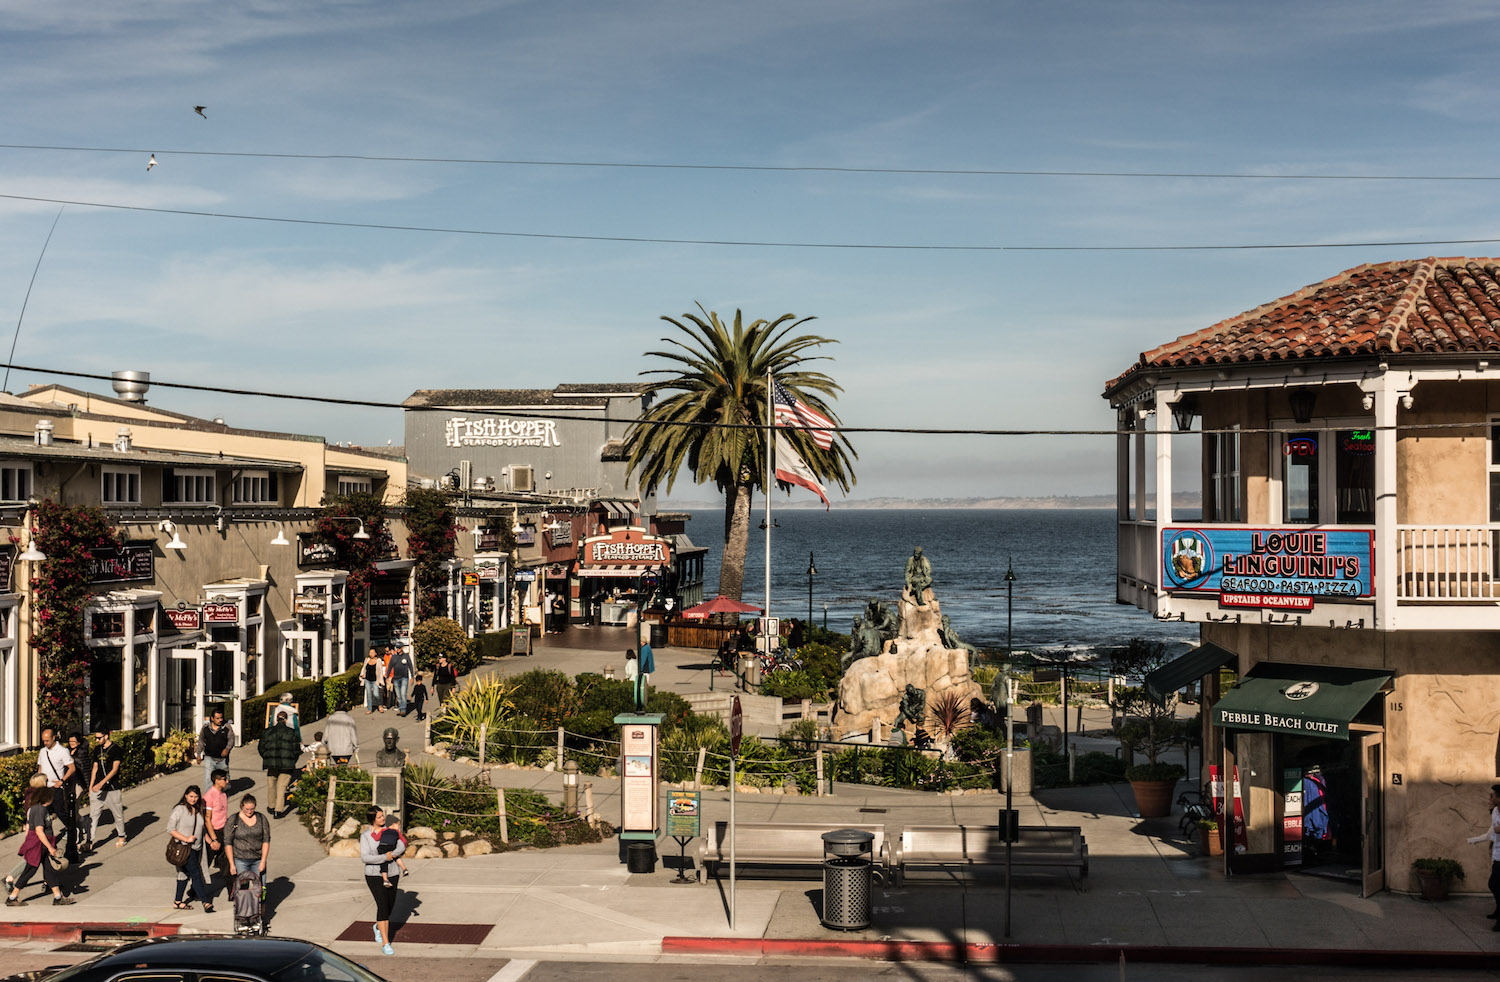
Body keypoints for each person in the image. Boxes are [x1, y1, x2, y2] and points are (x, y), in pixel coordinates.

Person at [6, 784, 74, 906]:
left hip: (41, 844)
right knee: (29, 871)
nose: (52, 799)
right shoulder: (39, 810)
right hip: (38, 845)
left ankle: (58, 897)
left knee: (50, 871)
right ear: (46, 797)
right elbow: (39, 831)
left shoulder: (38, 809)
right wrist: (50, 847)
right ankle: (12, 897)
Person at [361, 805, 406, 956]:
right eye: (379, 817)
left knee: (390, 906)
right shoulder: (366, 836)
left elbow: (401, 845)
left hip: (392, 873)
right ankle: (386, 943)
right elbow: (365, 857)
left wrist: (391, 854)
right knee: (383, 907)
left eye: (382, 816)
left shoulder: (391, 831)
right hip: (374, 875)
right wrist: (383, 858)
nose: (382, 819)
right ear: (372, 819)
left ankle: (378, 927)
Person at [167, 785, 213, 912]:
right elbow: (170, 829)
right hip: (183, 848)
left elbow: (201, 830)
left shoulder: (198, 810)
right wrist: (186, 839)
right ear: (185, 796)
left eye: (196, 796)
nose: (193, 799)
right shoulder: (179, 809)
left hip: (196, 849)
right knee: (196, 874)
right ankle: (206, 902)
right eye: (191, 796)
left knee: (183, 875)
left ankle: (178, 902)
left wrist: (210, 841)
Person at [37, 727, 78, 863]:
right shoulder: (43, 751)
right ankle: (46, 840)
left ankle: (72, 831)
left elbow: (72, 768)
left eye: (47, 740)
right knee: (42, 814)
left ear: (54, 737)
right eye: (43, 741)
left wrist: (61, 781)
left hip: (56, 787)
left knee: (60, 812)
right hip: (44, 787)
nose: (45, 743)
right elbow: (41, 768)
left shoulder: (62, 751)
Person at [88, 728, 127, 849]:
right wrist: (91, 787)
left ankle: (122, 836)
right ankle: (89, 841)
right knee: (93, 815)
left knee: (117, 813)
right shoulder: (97, 749)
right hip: (97, 789)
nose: (97, 740)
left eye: (99, 738)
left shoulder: (116, 749)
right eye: (96, 738)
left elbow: (115, 769)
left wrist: (102, 783)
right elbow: (95, 768)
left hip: (112, 787)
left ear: (106, 736)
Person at [1468, 784, 1500, 930]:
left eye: (1492, 795)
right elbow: (1493, 832)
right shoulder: (1494, 812)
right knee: (1495, 884)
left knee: (1494, 884)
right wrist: (1491, 845)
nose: (1490, 798)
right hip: (1498, 854)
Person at [257, 713, 301, 819]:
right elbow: (296, 750)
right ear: (286, 720)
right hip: (287, 764)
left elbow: (261, 748)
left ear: (276, 720)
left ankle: (271, 806)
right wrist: (292, 760)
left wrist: (267, 757)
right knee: (282, 787)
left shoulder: (267, 732)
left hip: (271, 763)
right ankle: (278, 810)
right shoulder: (292, 733)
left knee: (271, 784)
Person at [223, 794, 270, 880]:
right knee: (242, 888)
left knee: (260, 887)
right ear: (241, 806)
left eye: (252, 809)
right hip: (240, 859)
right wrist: (232, 864)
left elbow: (266, 840)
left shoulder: (262, 819)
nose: (249, 812)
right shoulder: (233, 819)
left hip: (257, 859)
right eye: (247, 809)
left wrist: (263, 861)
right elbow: (228, 842)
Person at [196, 709, 235, 790]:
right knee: (208, 778)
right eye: (217, 718)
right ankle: (209, 797)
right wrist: (198, 754)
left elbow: (231, 740)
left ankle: (223, 794)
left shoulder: (227, 727)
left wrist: (227, 749)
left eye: (221, 718)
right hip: (209, 757)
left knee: (223, 778)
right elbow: (201, 741)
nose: (220, 720)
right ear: (212, 718)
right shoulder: (205, 728)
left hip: (222, 759)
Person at [67, 734, 92, 852]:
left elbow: (85, 769)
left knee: (73, 808)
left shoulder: (82, 752)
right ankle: (83, 821)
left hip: (79, 784)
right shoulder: (67, 751)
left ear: (79, 742)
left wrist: (89, 788)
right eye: (70, 741)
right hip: (70, 783)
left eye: (74, 741)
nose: (71, 743)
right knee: (70, 809)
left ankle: (76, 836)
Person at [203, 769, 230, 877]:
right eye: (224, 779)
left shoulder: (223, 795)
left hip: (223, 831)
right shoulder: (209, 797)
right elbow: (207, 819)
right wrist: (213, 839)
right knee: (206, 862)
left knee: (226, 860)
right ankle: (195, 888)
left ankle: (230, 885)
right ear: (217, 781)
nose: (227, 781)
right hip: (213, 832)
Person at [377, 818, 409, 887]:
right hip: (391, 846)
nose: (399, 827)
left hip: (382, 846)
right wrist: (405, 845)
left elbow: (376, 838)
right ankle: (404, 869)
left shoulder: (383, 830)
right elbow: (403, 840)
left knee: (383, 863)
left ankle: (385, 880)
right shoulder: (397, 832)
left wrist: (373, 833)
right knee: (396, 857)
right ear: (393, 824)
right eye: (398, 825)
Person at [361, 650, 382, 714]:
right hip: (367, 680)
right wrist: (363, 674)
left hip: (375, 680)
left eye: (372, 652)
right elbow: (364, 668)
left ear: (375, 653)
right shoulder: (367, 659)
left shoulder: (378, 660)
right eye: (370, 652)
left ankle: (380, 705)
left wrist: (381, 680)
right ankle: (370, 709)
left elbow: (380, 671)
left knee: (376, 694)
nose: (371, 654)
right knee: (369, 695)